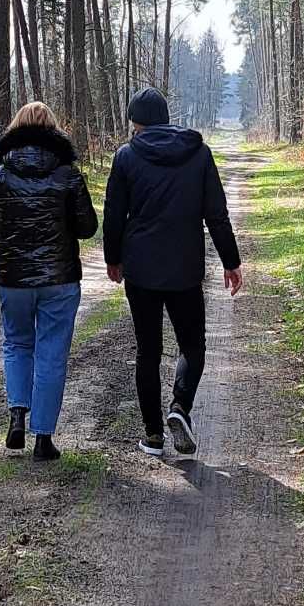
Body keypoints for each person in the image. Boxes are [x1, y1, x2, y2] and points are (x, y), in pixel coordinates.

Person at [102, 87, 242, 458]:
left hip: (141, 269)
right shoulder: (198, 153)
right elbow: (216, 213)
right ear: (166, 118)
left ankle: (152, 436)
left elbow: (114, 215)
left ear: (136, 123)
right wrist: (231, 261)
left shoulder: (126, 157)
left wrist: (112, 258)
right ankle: (180, 406)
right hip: (185, 269)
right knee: (192, 345)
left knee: (148, 350)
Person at [0, 99, 97, 463]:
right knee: (52, 353)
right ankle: (43, 438)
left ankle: (17, 412)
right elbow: (87, 227)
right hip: (59, 279)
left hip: (12, 278)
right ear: (54, 131)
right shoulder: (68, 175)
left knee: (17, 344)